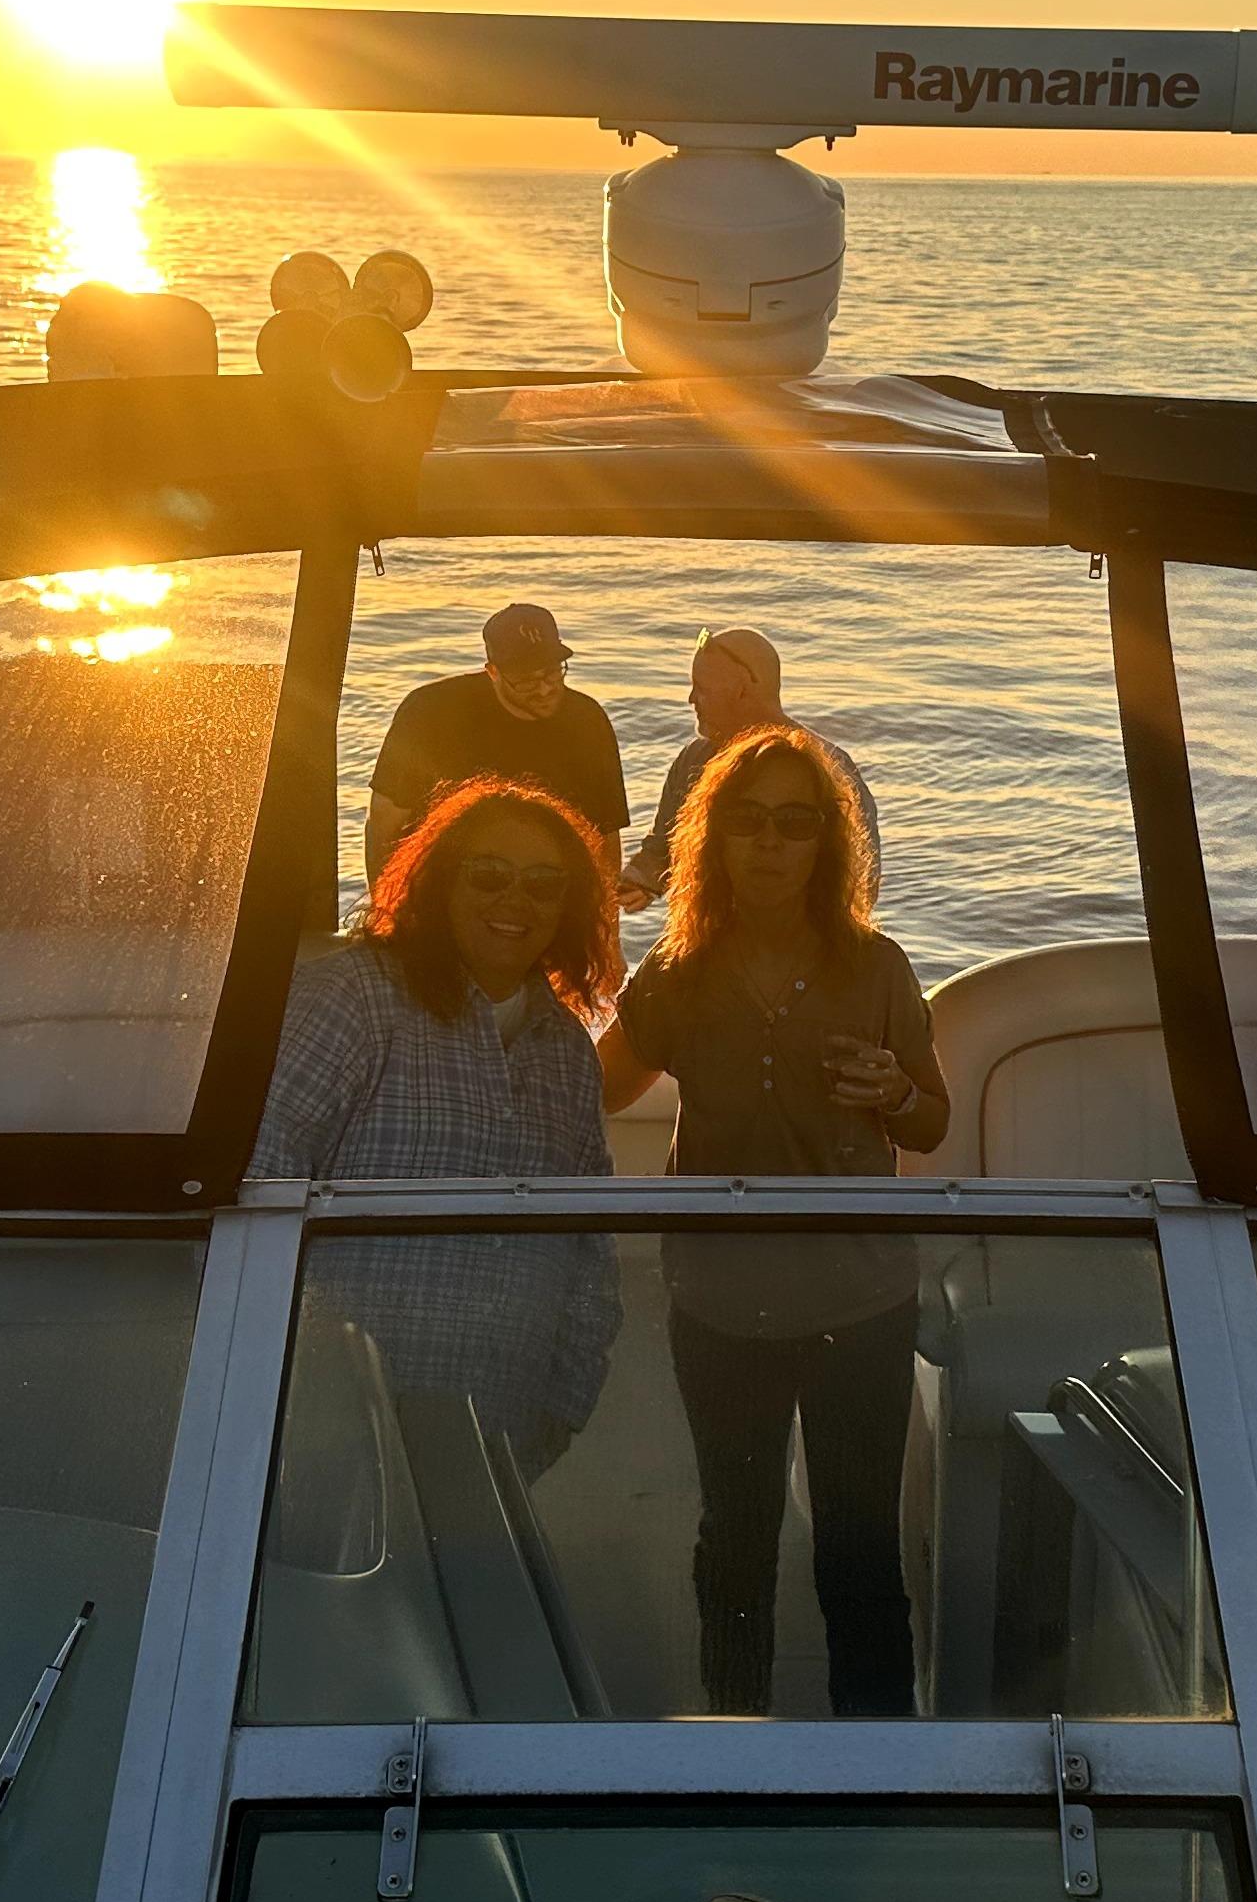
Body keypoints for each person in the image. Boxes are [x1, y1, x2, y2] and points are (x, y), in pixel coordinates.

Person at [598, 728, 949, 1716]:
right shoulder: (679, 972)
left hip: (862, 1302)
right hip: (721, 1303)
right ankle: (734, 1750)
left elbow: (932, 1114)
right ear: (712, 838)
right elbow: (600, 1085)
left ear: (826, 844)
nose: (769, 844)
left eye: (796, 824)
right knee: (737, 1544)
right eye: (747, 822)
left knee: (858, 1552)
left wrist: (893, 1091)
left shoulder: (878, 966)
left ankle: (878, 1773)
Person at [257, 779, 622, 1453]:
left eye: (544, 884)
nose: (515, 900)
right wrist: (271, 1390)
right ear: (438, 884)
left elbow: (589, 1249)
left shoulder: (567, 1051)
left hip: (498, 1435)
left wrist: (561, 1411)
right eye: (488, 876)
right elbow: (259, 1182)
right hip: (328, 1425)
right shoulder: (354, 999)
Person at [364, 603, 630, 901]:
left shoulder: (587, 721)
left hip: (545, 889)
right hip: (444, 887)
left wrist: (605, 928)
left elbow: (605, 835)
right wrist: (383, 908)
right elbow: (386, 819)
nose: (544, 689)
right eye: (527, 680)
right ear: (492, 672)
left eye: (553, 673)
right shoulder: (429, 714)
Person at [622, 627, 878, 910]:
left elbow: (862, 881)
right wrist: (638, 880)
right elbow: (662, 850)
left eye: (702, 688)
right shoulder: (693, 762)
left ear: (741, 691)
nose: (691, 699)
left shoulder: (828, 768)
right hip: (708, 936)